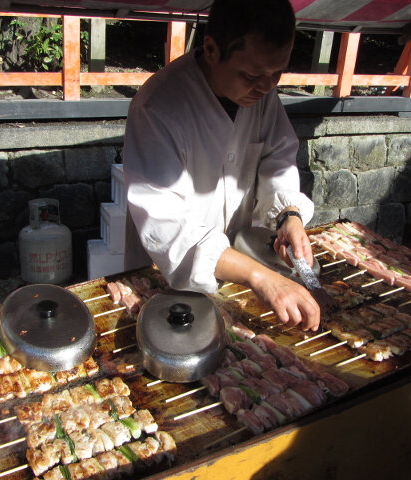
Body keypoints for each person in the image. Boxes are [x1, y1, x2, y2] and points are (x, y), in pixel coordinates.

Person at [122, 0, 320, 330]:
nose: (267, 86)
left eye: (277, 74)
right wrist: (262, 277)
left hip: (235, 270)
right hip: (165, 274)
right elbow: (167, 229)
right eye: (253, 74)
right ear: (211, 49)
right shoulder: (158, 107)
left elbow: (278, 158)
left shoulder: (263, 93)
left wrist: (289, 216)